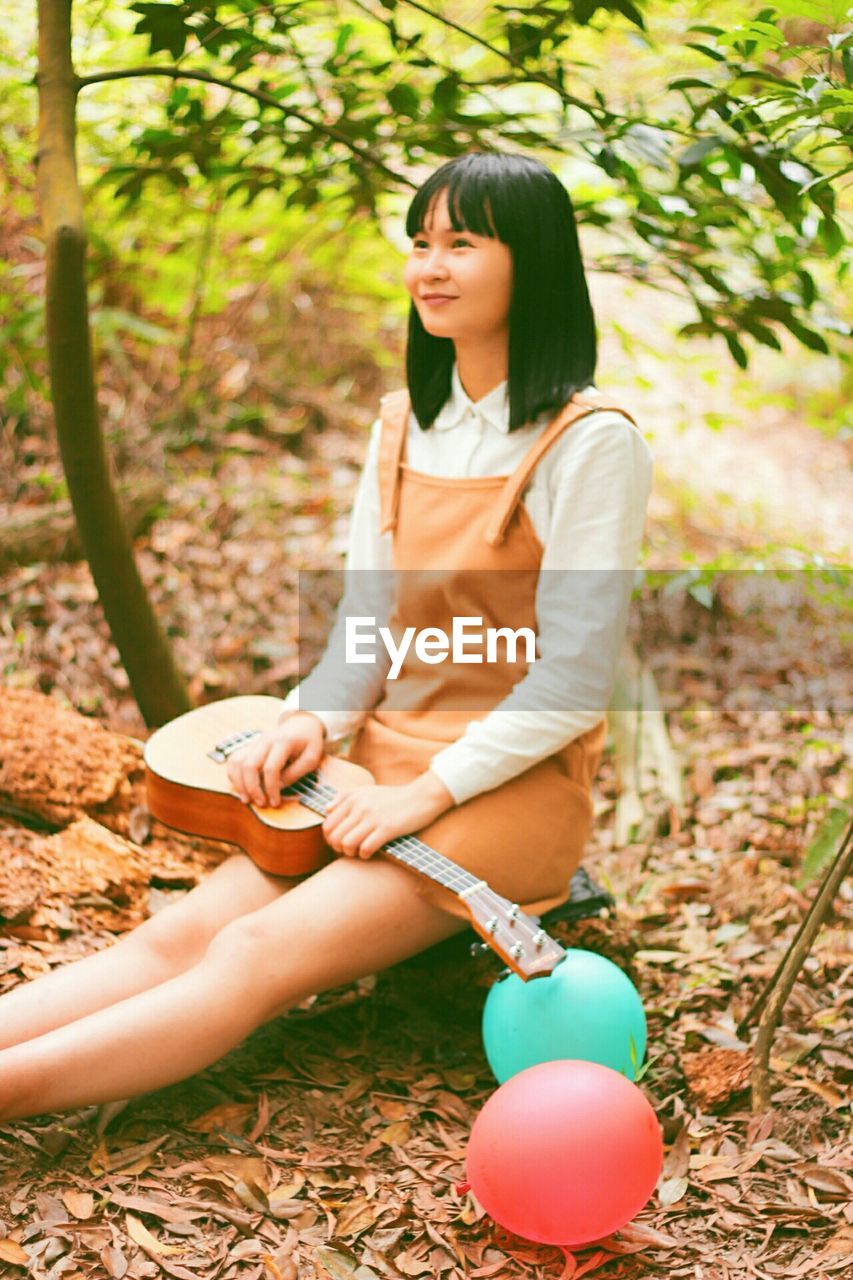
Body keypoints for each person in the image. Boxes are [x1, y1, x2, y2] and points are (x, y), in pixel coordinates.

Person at [0, 151, 653, 1123]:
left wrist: (420, 796)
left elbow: (572, 679)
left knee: (254, 956)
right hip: (374, 769)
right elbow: (366, 622)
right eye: (420, 242)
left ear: (536, 262)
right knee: (175, 937)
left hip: (504, 791)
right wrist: (315, 718)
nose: (429, 266)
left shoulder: (592, 440)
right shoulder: (404, 425)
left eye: (462, 243)